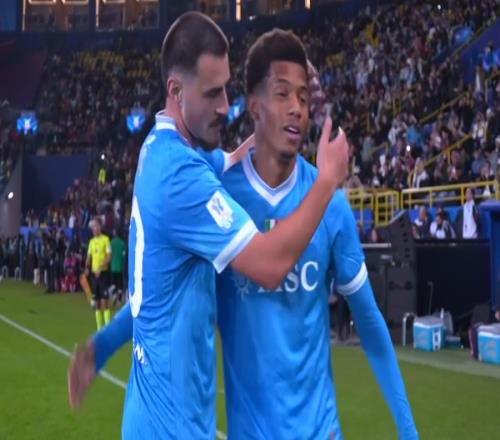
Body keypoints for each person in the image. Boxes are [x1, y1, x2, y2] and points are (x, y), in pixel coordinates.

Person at [69, 28, 416, 439]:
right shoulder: (214, 192)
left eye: (303, 98)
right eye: (282, 94)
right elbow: (264, 267)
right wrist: (326, 181)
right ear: (255, 106)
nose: (223, 105)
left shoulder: (323, 206)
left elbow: (370, 321)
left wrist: (408, 432)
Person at [85, 217, 112, 329]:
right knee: (96, 304)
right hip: (94, 276)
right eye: (92, 227)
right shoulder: (91, 242)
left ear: (100, 227)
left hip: (103, 274)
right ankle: (99, 330)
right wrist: (87, 268)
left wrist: (100, 268)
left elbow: (109, 257)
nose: (93, 228)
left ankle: (108, 329)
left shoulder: (106, 239)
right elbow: (88, 257)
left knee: (104, 302)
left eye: (95, 226)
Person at [109, 229, 126, 305]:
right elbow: (124, 255)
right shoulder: (122, 243)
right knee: (119, 284)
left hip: (113, 266)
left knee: (113, 283)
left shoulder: (112, 243)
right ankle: (119, 299)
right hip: (120, 266)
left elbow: (109, 254)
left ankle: (113, 296)